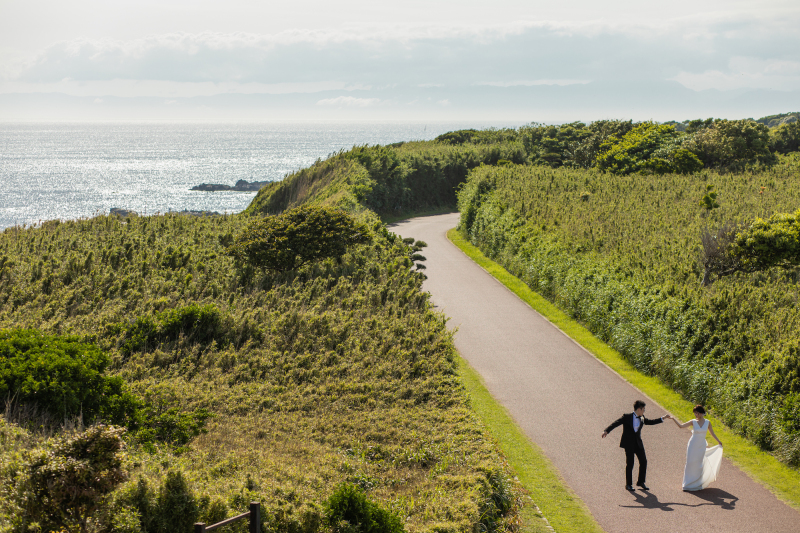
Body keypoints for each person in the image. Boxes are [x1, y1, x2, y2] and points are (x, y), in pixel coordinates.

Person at [602, 400, 671, 491]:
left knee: (643, 461)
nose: (644, 411)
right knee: (630, 464)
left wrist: (663, 418)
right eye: (643, 410)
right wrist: (606, 431)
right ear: (639, 409)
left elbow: (650, 422)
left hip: (638, 444)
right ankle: (628, 484)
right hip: (629, 444)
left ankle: (641, 482)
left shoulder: (642, 418)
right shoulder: (627, 417)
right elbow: (616, 423)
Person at [669, 404, 723, 491]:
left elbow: (712, 433)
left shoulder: (708, 422)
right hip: (692, 445)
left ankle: (697, 483)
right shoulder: (693, 421)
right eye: (695, 413)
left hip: (701, 446)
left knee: (698, 464)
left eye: (697, 413)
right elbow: (681, 426)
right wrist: (673, 419)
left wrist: (718, 441)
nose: (696, 415)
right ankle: (687, 484)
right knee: (690, 462)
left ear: (701, 413)